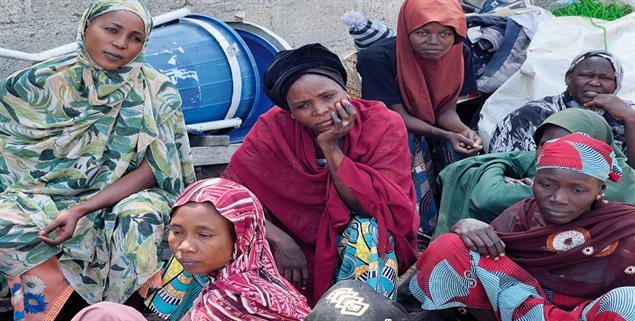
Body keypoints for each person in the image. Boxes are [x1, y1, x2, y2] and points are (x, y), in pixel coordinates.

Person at [0, 0, 195, 320]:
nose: (120, 44)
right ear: (86, 26)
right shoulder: (39, 83)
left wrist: (82, 208)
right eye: (112, 30)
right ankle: (56, 313)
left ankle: (131, 313)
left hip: (127, 192)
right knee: (6, 218)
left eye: (135, 38)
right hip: (45, 193)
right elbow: (10, 147)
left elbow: (154, 168)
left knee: (137, 217)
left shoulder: (157, 91)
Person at [222, 43, 419, 304]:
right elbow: (228, 196)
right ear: (290, 112)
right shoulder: (273, 129)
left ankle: (360, 312)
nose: (320, 111)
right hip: (291, 249)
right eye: (303, 105)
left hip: (360, 247)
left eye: (328, 96)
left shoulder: (382, 123)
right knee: (212, 227)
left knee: (366, 232)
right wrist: (280, 240)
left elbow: (370, 207)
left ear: (346, 91)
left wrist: (330, 146)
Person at [410, 132, 635, 321]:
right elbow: (490, 254)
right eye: (547, 184)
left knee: (628, 301)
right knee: (449, 246)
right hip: (517, 308)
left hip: (584, 314)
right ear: (534, 180)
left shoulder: (624, 225)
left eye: (577, 190)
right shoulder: (522, 214)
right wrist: (467, 227)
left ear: (600, 190)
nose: (558, 198)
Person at [357, 0, 482, 236]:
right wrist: (446, 134)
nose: (434, 42)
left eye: (445, 34)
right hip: (392, 129)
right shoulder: (376, 58)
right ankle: (419, 230)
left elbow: (446, 111)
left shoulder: (459, 52)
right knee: (411, 143)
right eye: (422, 33)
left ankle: (460, 224)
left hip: (433, 124)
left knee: (464, 152)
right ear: (406, 29)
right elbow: (395, 117)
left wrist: (463, 131)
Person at [434, 108, 635, 236]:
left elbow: (489, 197)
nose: (559, 198)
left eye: (567, 145)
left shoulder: (600, 180)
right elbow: (517, 157)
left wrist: (495, 167)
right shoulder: (555, 165)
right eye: (544, 145)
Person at [148, 178, 310, 321]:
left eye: (204, 235)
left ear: (241, 239)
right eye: (177, 232)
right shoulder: (261, 280)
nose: (185, 246)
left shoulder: (232, 300)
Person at [489, 50, 635, 168]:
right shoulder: (531, 116)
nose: (594, 82)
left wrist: (630, 119)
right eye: (586, 75)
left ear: (617, 85)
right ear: (568, 78)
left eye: (605, 78)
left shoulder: (626, 114)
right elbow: (506, 168)